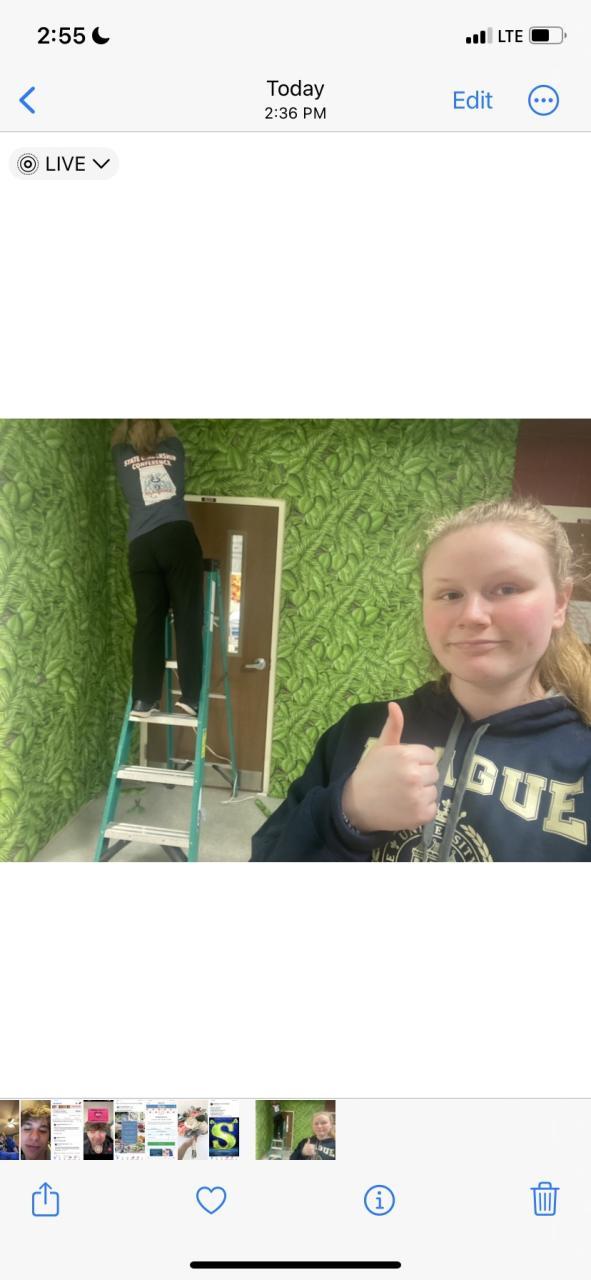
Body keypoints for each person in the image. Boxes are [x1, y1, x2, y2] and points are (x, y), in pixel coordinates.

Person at [252, 498, 591, 862]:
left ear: (560, 603)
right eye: (450, 594)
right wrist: (347, 811)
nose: (472, 615)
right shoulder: (361, 729)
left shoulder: (581, 761)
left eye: (507, 588)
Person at [111, 419, 204, 717]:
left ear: (129, 430)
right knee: (187, 618)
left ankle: (144, 699)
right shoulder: (173, 448)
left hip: (142, 546)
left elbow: (117, 437)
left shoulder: (122, 455)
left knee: (148, 622)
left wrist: (129, 420)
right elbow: (169, 429)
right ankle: (191, 698)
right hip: (177, 538)